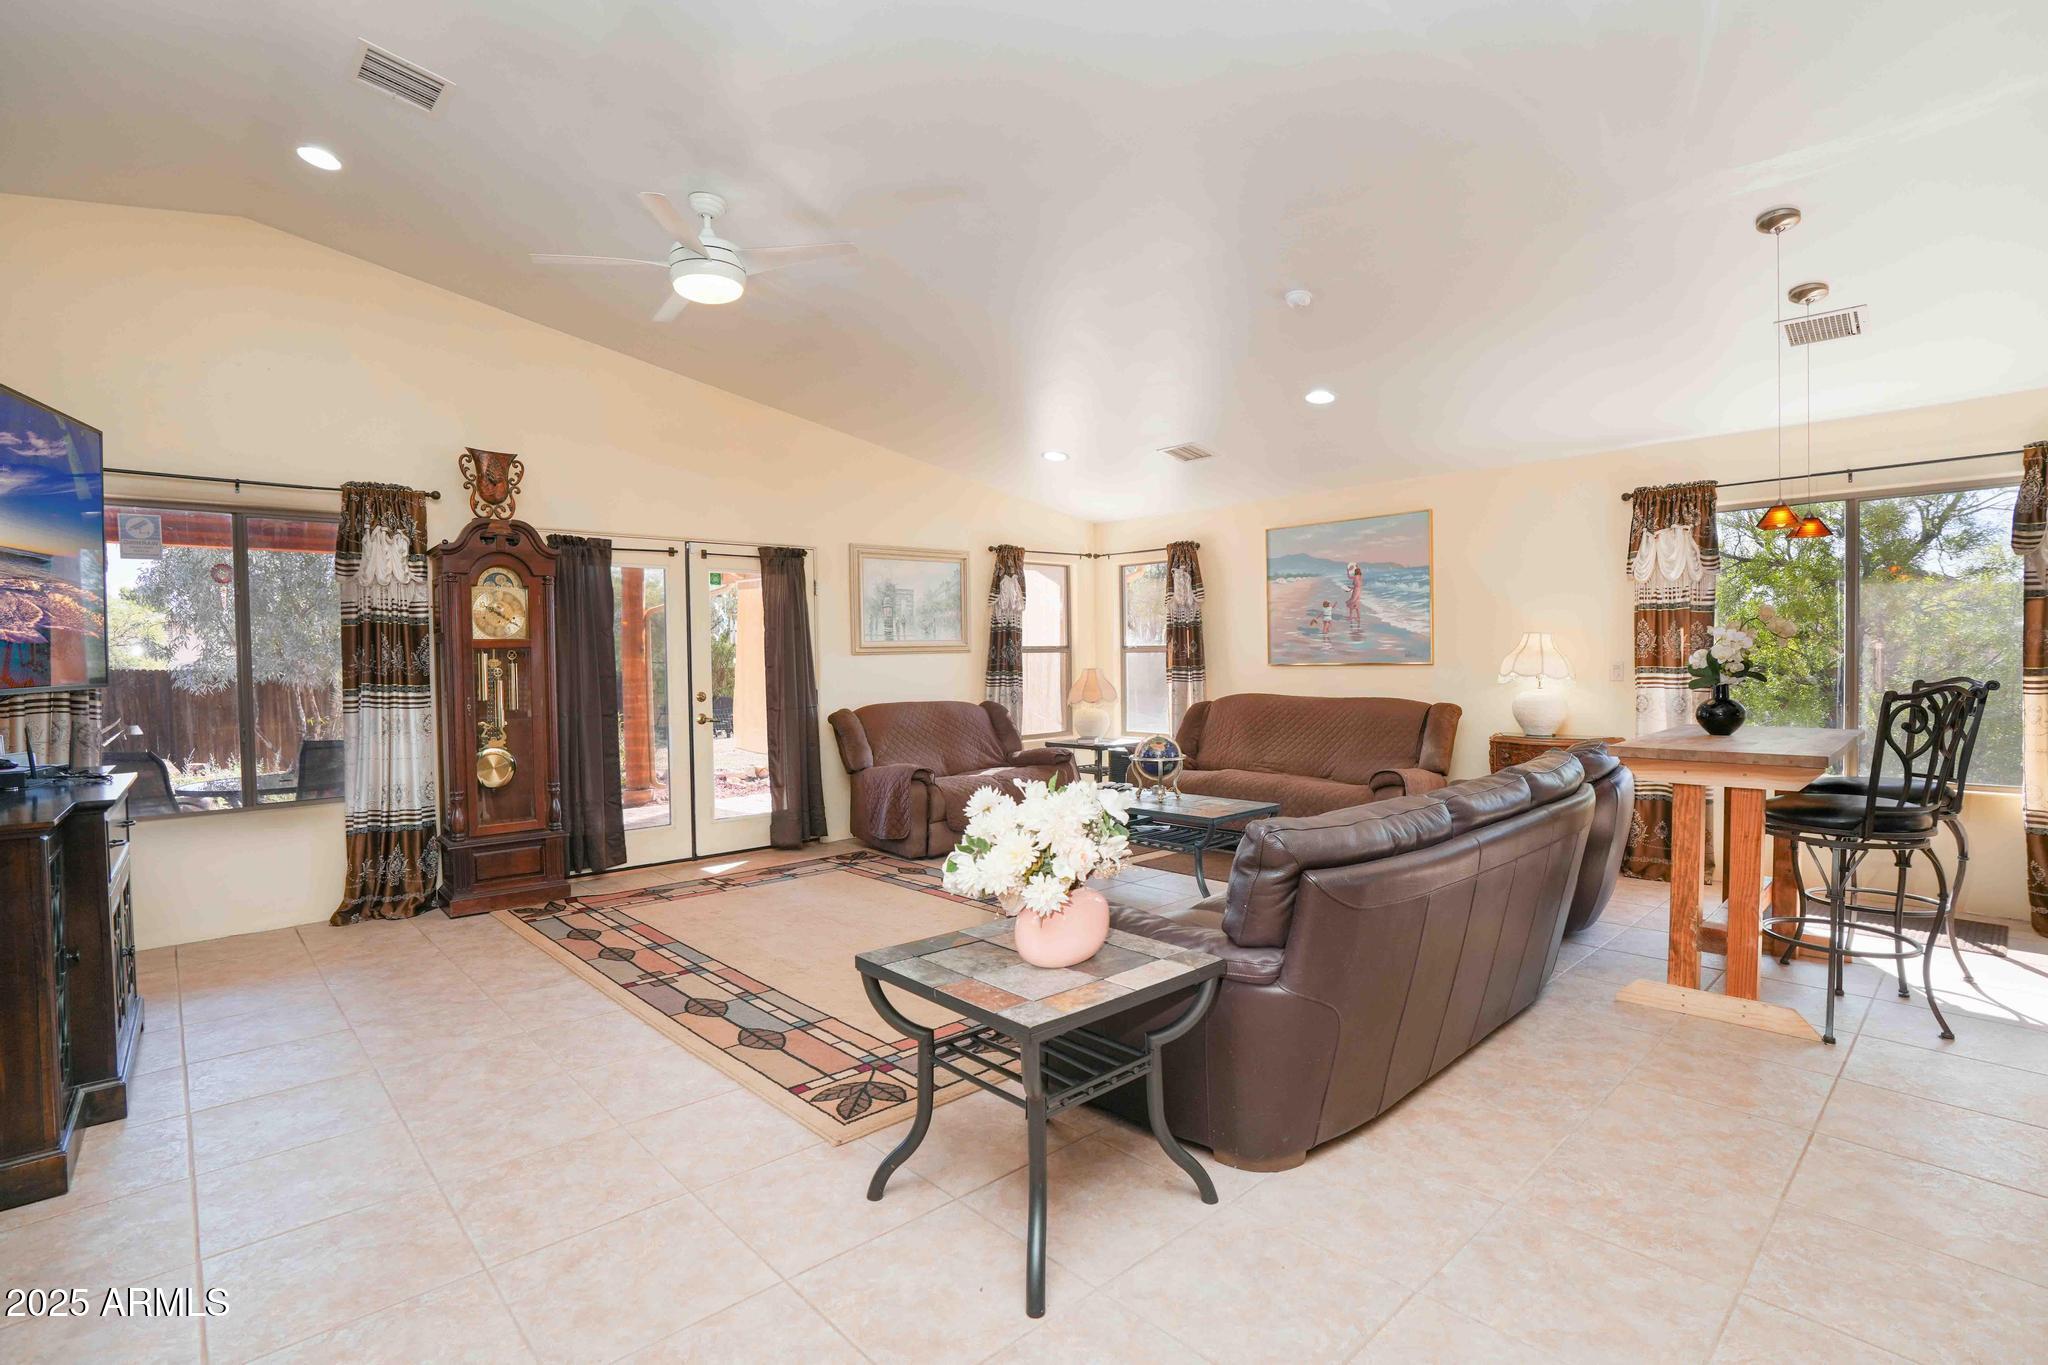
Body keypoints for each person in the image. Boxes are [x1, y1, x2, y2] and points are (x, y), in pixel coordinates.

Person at [1345, 562, 1364, 629]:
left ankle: (1350, 617)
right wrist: (1350, 589)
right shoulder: (1360, 577)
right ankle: (1358, 617)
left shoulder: (1355, 577)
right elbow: (1358, 586)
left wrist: (1348, 570)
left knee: (1352, 603)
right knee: (1356, 603)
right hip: (1359, 591)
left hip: (1356, 591)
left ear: (1355, 572)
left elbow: (1349, 576)